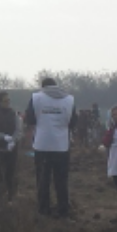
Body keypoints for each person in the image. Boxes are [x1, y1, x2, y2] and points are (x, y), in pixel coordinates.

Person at [28, 77, 76, 217]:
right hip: (62, 145)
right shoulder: (70, 99)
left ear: (42, 87)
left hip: (42, 144)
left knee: (43, 179)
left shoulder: (36, 98)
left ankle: (44, 209)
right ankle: (63, 209)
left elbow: (30, 119)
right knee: (61, 180)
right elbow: (73, 122)